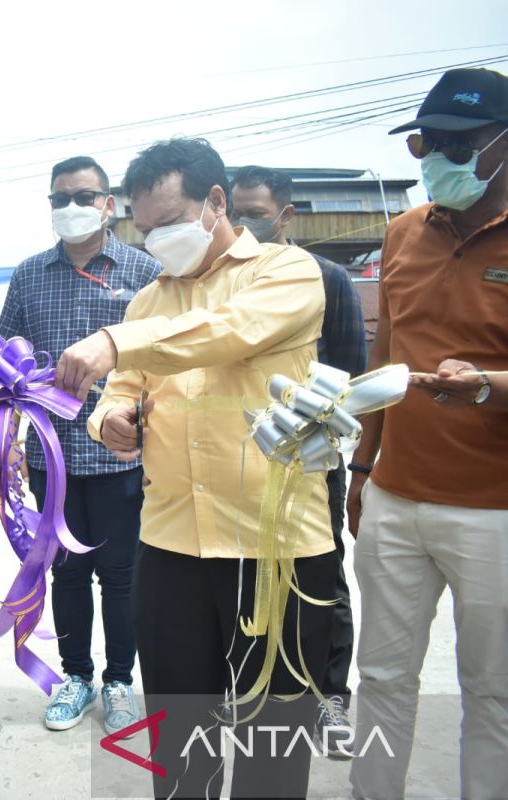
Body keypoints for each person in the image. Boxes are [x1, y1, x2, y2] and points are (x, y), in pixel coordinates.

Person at [57, 138, 334, 798]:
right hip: (172, 544)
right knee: (181, 748)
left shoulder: (285, 274)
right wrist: (112, 421)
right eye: (145, 229)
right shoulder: (148, 303)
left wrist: (115, 341)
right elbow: (119, 393)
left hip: (276, 549)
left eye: (169, 222)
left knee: (272, 751)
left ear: (216, 203)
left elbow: (227, 331)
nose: (156, 241)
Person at [345, 68, 508, 800]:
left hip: (495, 511)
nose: (436, 156)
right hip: (396, 500)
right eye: (423, 142)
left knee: (493, 690)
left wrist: (487, 385)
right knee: (381, 675)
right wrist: (361, 469)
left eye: (456, 142)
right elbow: (384, 359)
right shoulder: (403, 231)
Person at [0, 156, 160, 734]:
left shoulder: (144, 271)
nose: (72, 208)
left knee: (121, 575)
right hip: (51, 458)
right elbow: (3, 356)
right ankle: (76, 676)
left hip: (121, 458)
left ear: (109, 204)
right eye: (60, 198)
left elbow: (166, 359)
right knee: (64, 573)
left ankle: (118, 680)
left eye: (84, 197)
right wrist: (5, 437)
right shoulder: (29, 275)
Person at [230, 164, 367, 754]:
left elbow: (349, 374)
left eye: (255, 212)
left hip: (309, 458)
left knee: (319, 575)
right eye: (233, 212)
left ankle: (329, 696)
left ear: (286, 216)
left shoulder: (328, 278)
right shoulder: (226, 281)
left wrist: (314, 435)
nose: (242, 223)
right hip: (240, 459)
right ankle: (256, 690)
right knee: (249, 578)